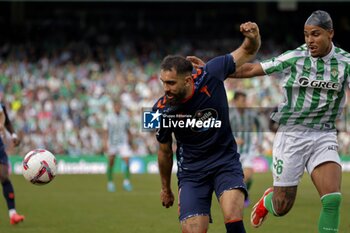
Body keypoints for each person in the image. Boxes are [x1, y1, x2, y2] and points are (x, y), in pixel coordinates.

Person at [226, 10, 345, 233]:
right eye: (306, 34)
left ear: (330, 34)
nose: (309, 40)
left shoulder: (345, 63)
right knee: (282, 206)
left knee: (332, 199)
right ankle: (268, 201)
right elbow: (252, 68)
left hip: (324, 134)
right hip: (292, 135)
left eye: (315, 34)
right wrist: (210, 69)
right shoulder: (296, 57)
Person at [153, 21, 261, 233]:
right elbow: (164, 152)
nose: (166, 89)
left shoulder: (211, 73)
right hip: (192, 173)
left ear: (187, 80)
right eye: (163, 82)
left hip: (225, 162)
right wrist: (165, 189)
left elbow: (248, 51)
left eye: (171, 83)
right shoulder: (160, 110)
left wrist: (253, 36)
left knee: (232, 217)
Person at [229, 91, 263, 207]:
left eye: (245, 100)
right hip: (234, 151)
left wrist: (259, 140)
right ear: (235, 101)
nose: (244, 102)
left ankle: (243, 194)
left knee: (248, 174)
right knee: (236, 177)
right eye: (242, 100)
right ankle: (243, 195)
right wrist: (234, 139)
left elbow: (259, 126)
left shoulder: (251, 114)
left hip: (248, 150)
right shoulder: (230, 115)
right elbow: (223, 131)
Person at [0, 102, 25, 225]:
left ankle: (13, 214)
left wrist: (13, 135)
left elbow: (7, 122)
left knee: (4, 176)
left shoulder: (1, 106)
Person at [103, 101, 133, 192]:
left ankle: (126, 182)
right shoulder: (108, 118)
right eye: (116, 106)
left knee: (127, 160)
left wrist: (131, 141)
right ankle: (110, 182)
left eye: (119, 106)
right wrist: (105, 143)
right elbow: (105, 131)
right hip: (112, 143)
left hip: (123, 142)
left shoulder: (125, 118)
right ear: (113, 107)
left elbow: (128, 130)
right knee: (111, 162)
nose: (117, 108)